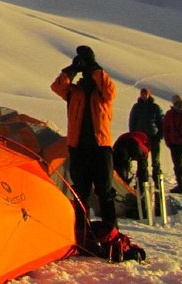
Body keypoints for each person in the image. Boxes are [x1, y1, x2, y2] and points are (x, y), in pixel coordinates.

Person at [51, 45, 117, 242]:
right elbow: (57, 86)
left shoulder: (103, 94)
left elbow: (109, 88)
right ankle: (81, 233)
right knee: (81, 192)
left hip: (101, 147)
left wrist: (94, 67)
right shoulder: (73, 92)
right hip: (78, 148)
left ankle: (110, 233)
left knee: (105, 192)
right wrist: (71, 70)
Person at [128, 87, 164, 183]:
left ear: (149, 95)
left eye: (146, 94)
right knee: (143, 161)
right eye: (142, 94)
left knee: (155, 161)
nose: (144, 96)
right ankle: (143, 181)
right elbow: (132, 122)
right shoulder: (136, 107)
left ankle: (158, 181)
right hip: (141, 139)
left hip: (154, 137)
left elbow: (161, 122)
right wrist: (133, 135)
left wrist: (160, 135)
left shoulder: (155, 107)